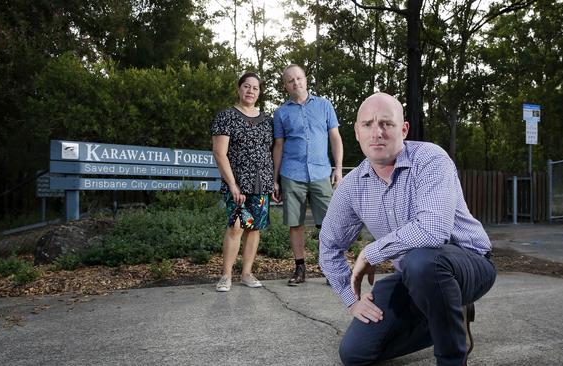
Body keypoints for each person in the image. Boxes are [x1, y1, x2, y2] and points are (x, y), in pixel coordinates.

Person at [319, 93, 496, 366]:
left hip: (469, 264)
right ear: (356, 132)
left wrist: (371, 252)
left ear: (403, 129)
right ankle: (450, 318)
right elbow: (328, 246)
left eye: (386, 124)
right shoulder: (352, 187)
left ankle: (451, 357)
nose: (377, 133)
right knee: (355, 354)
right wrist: (351, 300)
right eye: (367, 124)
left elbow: (433, 230)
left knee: (421, 261)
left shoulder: (430, 159)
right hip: (415, 277)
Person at [272, 64, 344, 286]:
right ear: (286, 86)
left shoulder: (324, 105)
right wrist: (275, 180)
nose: (296, 83)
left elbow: (335, 138)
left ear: (306, 80)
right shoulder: (281, 113)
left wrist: (338, 168)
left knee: (328, 223)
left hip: (321, 171)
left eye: (299, 78)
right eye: (291, 80)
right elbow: (278, 146)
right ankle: (300, 268)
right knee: (296, 223)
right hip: (291, 174)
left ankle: (329, 267)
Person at [211, 72, 274, 292]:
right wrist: (232, 184)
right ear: (239, 89)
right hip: (236, 182)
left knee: (254, 228)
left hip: (262, 181)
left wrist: (274, 181)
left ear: (259, 93)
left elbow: (272, 151)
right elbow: (220, 153)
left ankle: (246, 273)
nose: (250, 91)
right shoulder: (226, 116)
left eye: (255, 88)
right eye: (246, 86)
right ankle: (226, 275)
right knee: (236, 226)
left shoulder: (268, 120)